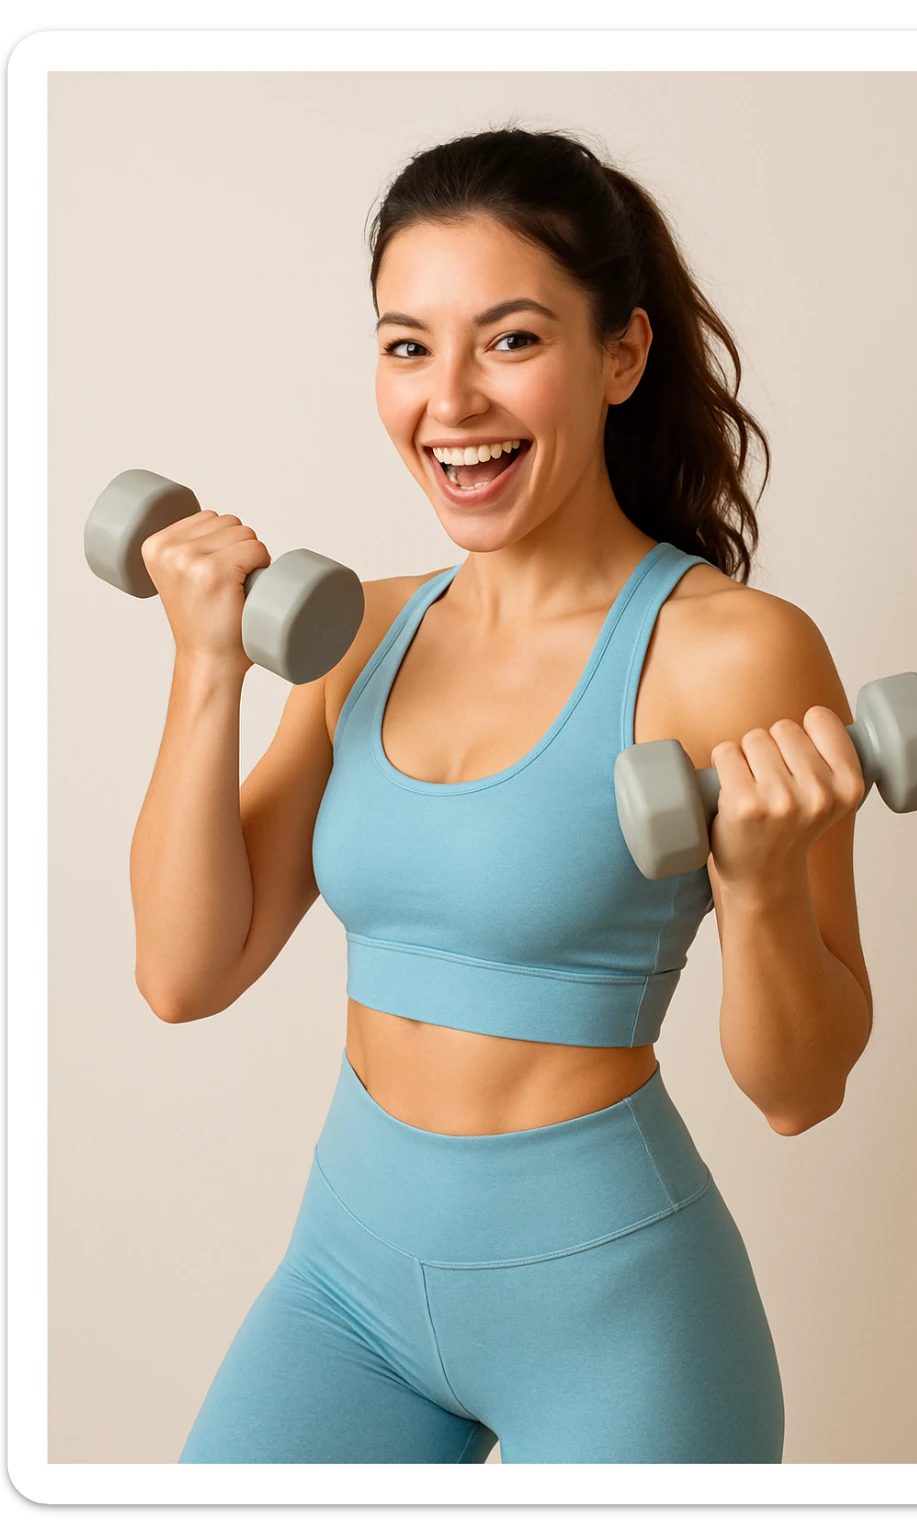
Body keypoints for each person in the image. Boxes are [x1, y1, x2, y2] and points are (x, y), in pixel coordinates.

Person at [131, 127, 873, 1465]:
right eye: (408, 346)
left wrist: (761, 887)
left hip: (617, 1313)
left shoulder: (732, 654)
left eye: (511, 340)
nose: (452, 401)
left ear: (622, 357)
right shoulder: (356, 632)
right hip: (345, 1286)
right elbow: (187, 974)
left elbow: (800, 1090)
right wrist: (205, 670)